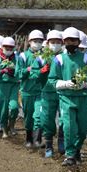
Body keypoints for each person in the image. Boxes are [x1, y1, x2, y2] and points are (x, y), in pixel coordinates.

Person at [48, 27, 87, 166]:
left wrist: (84, 84)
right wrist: (66, 84)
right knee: (68, 127)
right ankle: (69, 155)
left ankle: (76, 149)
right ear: (64, 42)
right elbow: (52, 80)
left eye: (73, 40)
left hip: (84, 98)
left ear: (78, 42)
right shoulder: (59, 59)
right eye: (67, 41)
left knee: (86, 126)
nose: (70, 43)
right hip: (66, 98)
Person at [31, 30, 65, 158]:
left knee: (64, 119)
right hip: (47, 92)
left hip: (62, 93)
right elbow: (34, 76)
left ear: (62, 43)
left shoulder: (64, 57)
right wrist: (42, 71)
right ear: (48, 43)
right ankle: (49, 145)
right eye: (52, 42)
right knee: (47, 120)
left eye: (58, 42)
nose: (55, 44)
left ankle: (62, 141)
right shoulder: (41, 58)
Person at [16, 30, 45, 148]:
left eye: (39, 41)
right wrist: (27, 70)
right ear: (29, 42)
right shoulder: (23, 56)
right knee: (29, 117)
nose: (37, 43)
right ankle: (28, 138)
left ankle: (37, 139)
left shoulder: (44, 56)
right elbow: (18, 74)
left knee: (39, 115)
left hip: (40, 92)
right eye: (35, 41)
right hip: (27, 92)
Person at [0, 37, 19, 138]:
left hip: (14, 85)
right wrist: (2, 71)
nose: (9, 50)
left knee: (14, 107)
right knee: (3, 109)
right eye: (7, 48)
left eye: (11, 48)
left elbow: (20, 71)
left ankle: (12, 126)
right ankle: (4, 130)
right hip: (1, 86)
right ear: (2, 47)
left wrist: (14, 71)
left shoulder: (17, 58)